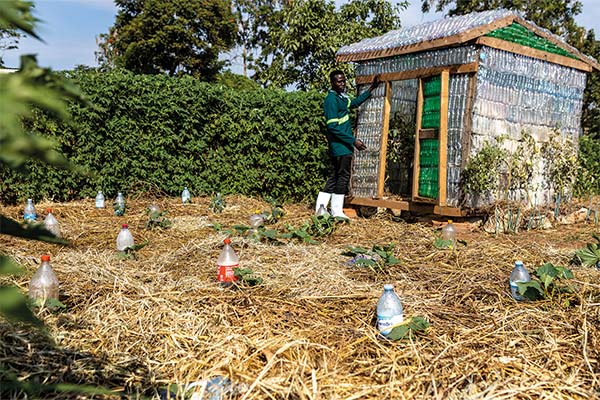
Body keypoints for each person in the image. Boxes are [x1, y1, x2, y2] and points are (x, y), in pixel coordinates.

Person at [315, 70, 381, 218]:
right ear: (332, 83)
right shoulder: (331, 99)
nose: (342, 84)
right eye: (339, 81)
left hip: (343, 146)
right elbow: (332, 127)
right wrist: (353, 141)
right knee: (343, 177)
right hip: (340, 147)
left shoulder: (341, 98)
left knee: (335, 177)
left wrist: (372, 88)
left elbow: (355, 102)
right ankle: (336, 211)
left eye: (343, 81)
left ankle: (320, 210)